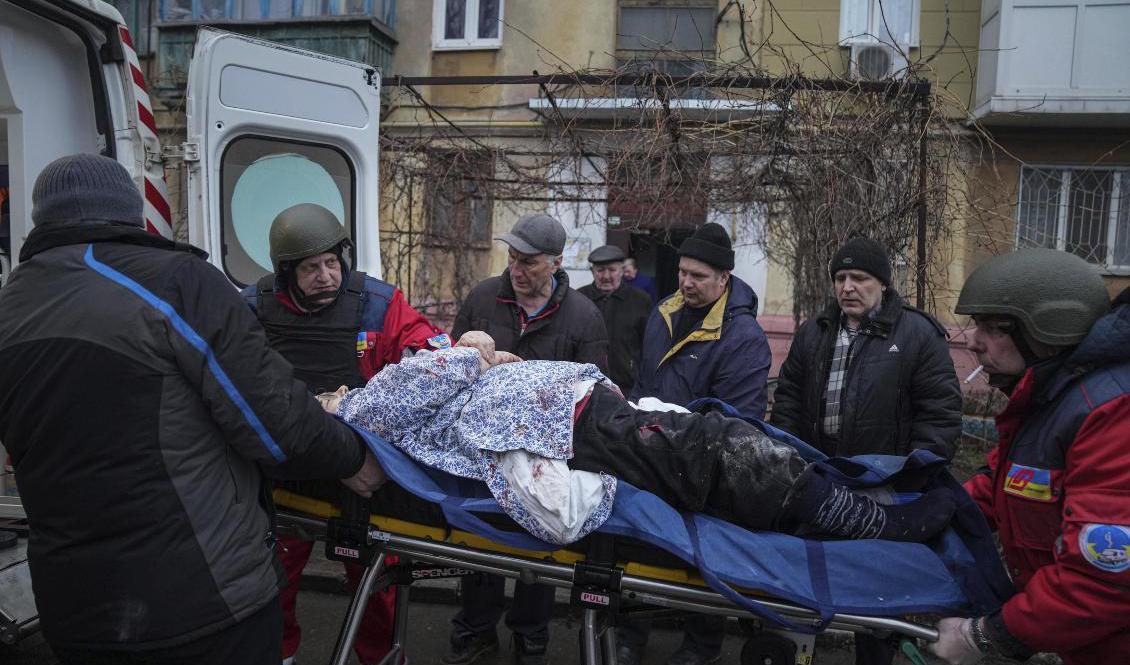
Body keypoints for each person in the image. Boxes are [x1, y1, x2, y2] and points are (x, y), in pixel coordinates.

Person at [0, 154, 385, 665]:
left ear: (41, 219)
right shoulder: (174, 284)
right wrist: (353, 457)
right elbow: (275, 424)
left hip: (73, 607)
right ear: (132, 214)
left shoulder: (10, 305)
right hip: (198, 600)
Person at [323, 331, 957, 547]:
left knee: (720, 443)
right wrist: (473, 347)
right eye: (325, 399)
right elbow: (452, 362)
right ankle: (874, 525)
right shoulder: (366, 404)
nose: (333, 395)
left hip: (574, 409)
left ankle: (846, 511)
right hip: (565, 424)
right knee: (721, 452)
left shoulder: (379, 402)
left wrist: (487, 359)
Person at [240, 203, 448, 665]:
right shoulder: (253, 308)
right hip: (284, 472)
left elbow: (430, 349)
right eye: (312, 267)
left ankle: (380, 658)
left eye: (333, 262)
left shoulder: (377, 303)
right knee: (272, 581)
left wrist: (427, 360)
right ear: (286, 270)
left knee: (376, 584)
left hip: (360, 469)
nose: (326, 275)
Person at [929, 249, 1130, 665]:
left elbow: (1103, 580)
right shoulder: (1051, 400)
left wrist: (984, 637)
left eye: (991, 327)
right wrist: (928, 512)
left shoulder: (1110, 412)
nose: (972, 339)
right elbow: (1008, 483)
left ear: (1046, 330)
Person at [770, 237, 962, 664]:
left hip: (885, 488)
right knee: (809, 584)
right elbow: (788, 399)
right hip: (819, 481)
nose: (847, 287)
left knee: (875, 598)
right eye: (840, 278)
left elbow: (940, 414)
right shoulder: (815, 331)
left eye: (859, 278)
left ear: (882, 284)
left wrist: (912, 475)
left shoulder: (917, 334)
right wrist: (789, 458)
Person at [447, 212, 608, 665]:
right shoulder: (483, 298)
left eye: (529, 263)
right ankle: (475, 632)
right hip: (483, 450)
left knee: (540, 552)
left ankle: (530, 639)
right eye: (512, 259)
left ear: (556, 262)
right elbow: (451, 373)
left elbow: (592, 395)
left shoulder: (584, 317)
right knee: (480, 544)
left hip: (546, 460)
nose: (516, 271)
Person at [627, 222, 771, 665]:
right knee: (637, 550)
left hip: (705, 468)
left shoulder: (744, 338)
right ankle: (629, 635)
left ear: (724, 279)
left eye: (699, 276)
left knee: (704, 559)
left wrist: (678, 442)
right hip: (647, 458)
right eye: (683, 272)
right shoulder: (663, 313)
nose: (687, 282)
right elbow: (641, 382)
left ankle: (700, 648)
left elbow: (738, 421)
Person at [578, 244, 651, 394]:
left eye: (612, 270)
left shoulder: (640, 300)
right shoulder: (580, 299)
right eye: (600, 270)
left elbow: (648, 346)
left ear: (622, 271)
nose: (606, 276)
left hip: (628, 386)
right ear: (592, 271)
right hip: (587, 386)